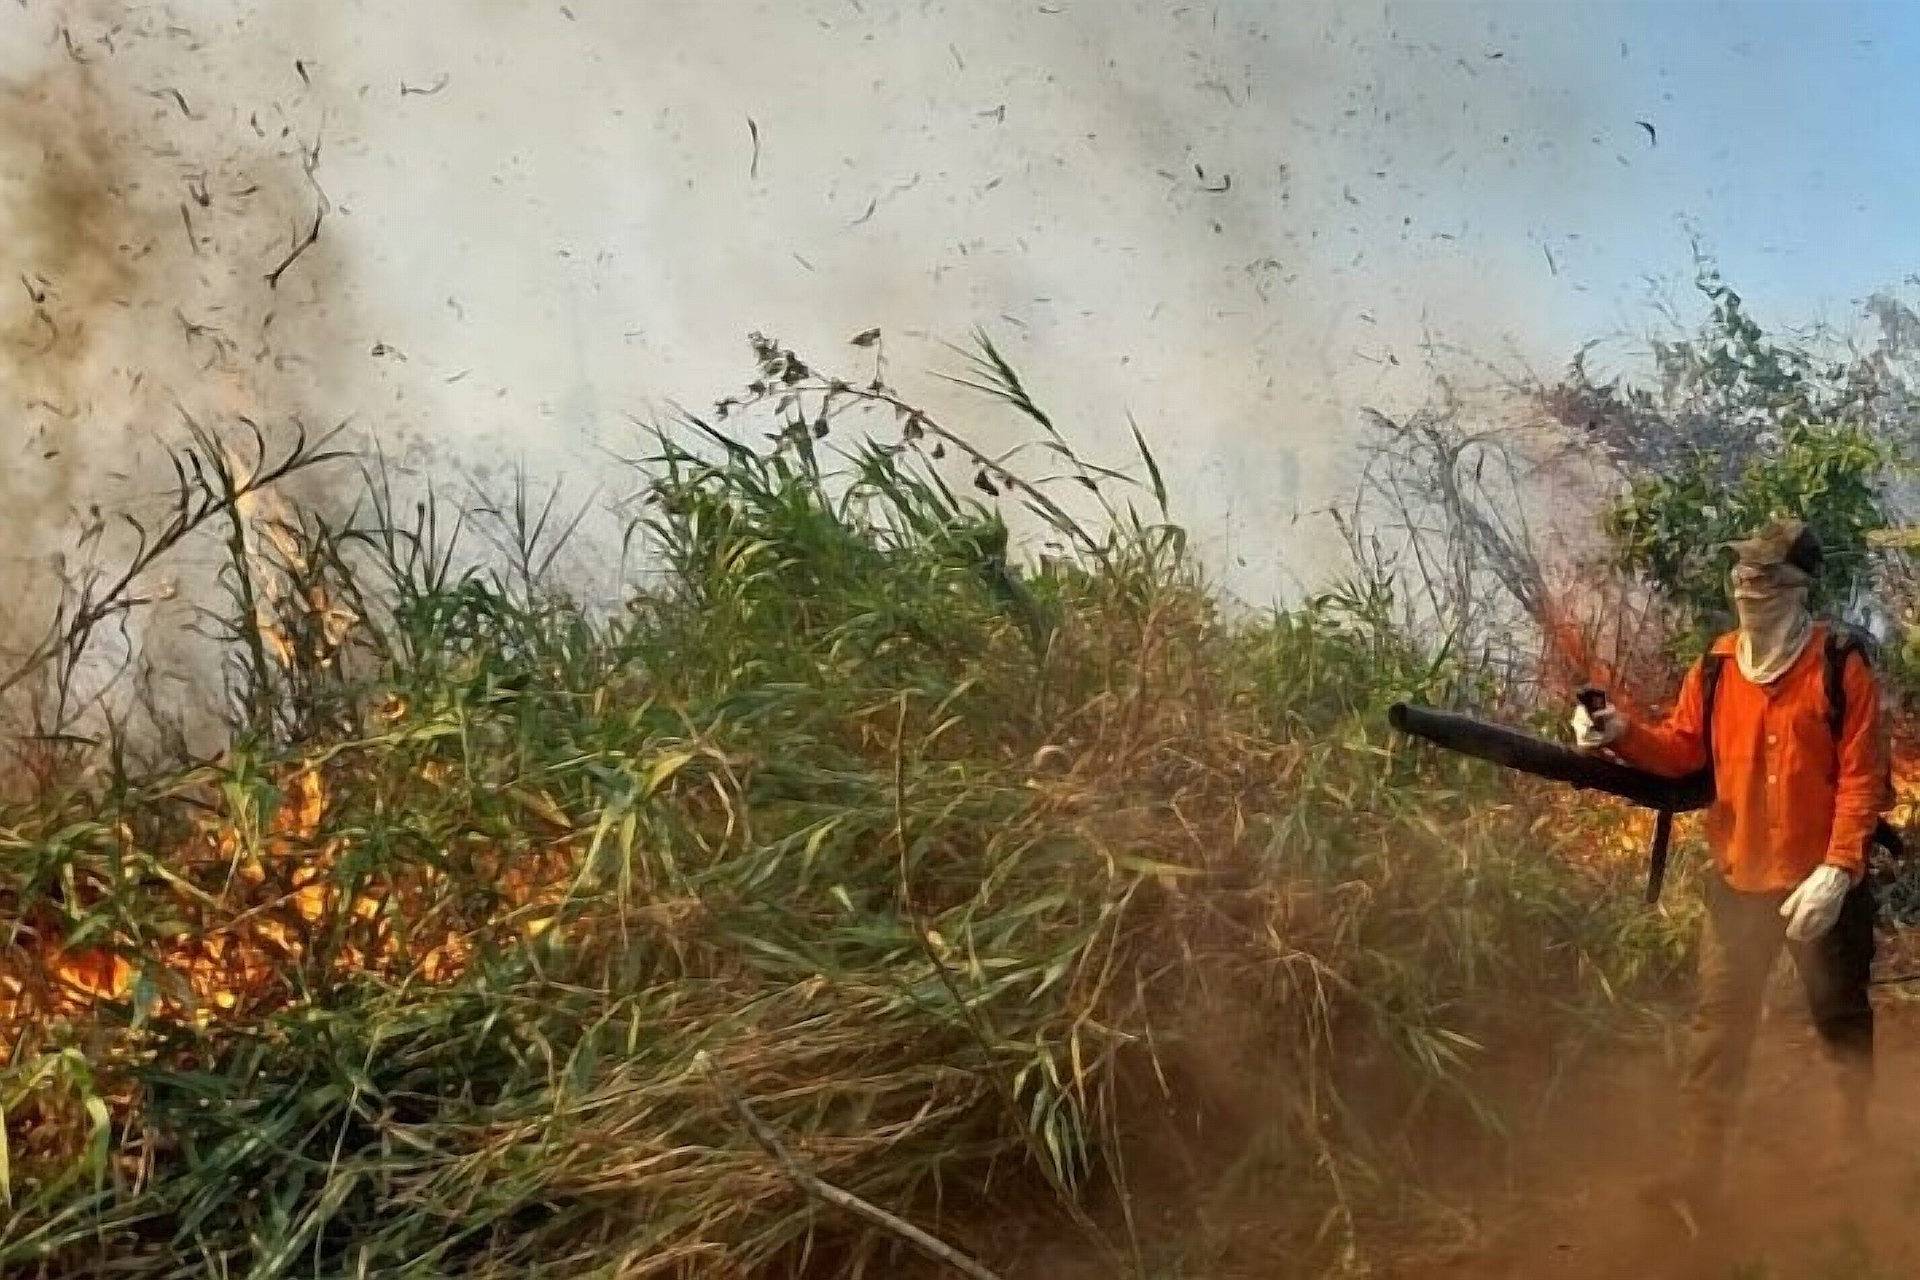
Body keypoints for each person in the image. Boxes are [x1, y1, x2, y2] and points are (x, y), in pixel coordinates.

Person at [1571, 517, 1891, 1212]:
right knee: (1719, 1028)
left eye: (1766, 575)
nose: (1748, 586)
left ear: (1798, 587)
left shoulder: (1840, 666)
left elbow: (1862, 779)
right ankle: (1699, 1175)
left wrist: (1839, 870)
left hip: (1819, 885)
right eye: (1743, 573)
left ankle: (1854, 1155)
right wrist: (1620, 733)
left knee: (1839, 1015)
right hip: (1739, 881)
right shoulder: (1717, 667)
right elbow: (1685, 749)